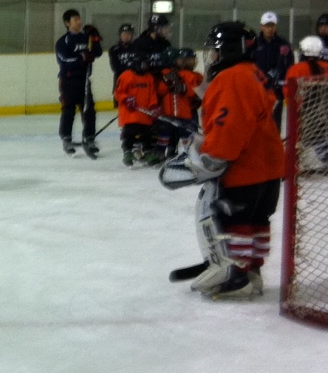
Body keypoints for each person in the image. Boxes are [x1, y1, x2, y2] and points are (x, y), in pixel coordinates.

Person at [159, 22, 284, 300]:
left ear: (230, 50)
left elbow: (231, 128)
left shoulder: (232, 78)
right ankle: (251, 271)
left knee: (234, 220)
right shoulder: (253, 72)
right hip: (269, 167)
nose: (212, 56)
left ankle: (234, 273)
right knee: (256, 221)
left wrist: (210, 158)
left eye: (215, 51)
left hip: (245, 168)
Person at [284, 35, 328, 173]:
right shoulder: (327, 66)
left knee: (306, 136)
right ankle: (324, 159)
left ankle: (301, 163)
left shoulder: (297, 69)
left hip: (303, 108)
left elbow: (288, 92)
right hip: (324, 108)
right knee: (317, 134)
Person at [54, 9, 103, 157]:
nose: (79, 22)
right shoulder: (63, 41)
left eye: (79, 19)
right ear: (67, 23)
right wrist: (81, 58)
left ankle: (90, 138)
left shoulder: (85, 38)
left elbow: (97, 53)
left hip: (84, 80)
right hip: (69, 81)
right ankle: (66, 139)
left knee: (89, 110)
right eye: (75, 20)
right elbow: (64, 60)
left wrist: (95, 39)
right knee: (69, 110)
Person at [113, 52, 159, 167]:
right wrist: (126, 98)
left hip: (145, 113)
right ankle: (128, 152)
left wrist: (153, 106)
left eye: (147, 64)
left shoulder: (149, 77)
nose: (146, 67)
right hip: (130, 113)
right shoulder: (126, 76)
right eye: (144, 64)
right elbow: (118, 92)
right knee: (130, 132)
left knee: (147, 133)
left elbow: (152, 94)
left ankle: (147, 151)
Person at [156, 48, 202, 158]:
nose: (192, 62)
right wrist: (167, 83)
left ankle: (191, 154)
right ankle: (165, 152)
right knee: (168, 133)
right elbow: (161, 91)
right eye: (187, 59)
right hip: (172, 112)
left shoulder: (193, 75)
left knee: (188, 135)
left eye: (192, 59)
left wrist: (185, 90)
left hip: (187, 112)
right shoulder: (169, 74)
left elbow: (198, 92)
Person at [252, 11, 293, 129]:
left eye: (272, 25)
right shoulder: (254, 44)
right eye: (267, 26)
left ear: (276, 26)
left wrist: (281, 80)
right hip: (258, 89)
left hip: (276, 91)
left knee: (275, 122)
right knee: (257, 121)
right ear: (261, 26)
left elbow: (289, 65)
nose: (269, 29)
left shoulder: (283, 44)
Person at [107, 24, 136, 97]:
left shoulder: (136, 48)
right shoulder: (114, 49)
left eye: (129, 34)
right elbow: (115, 67)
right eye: (124, 34)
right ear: (120, 35)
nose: (126, 36)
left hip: (134, 82)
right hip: (120, 80)